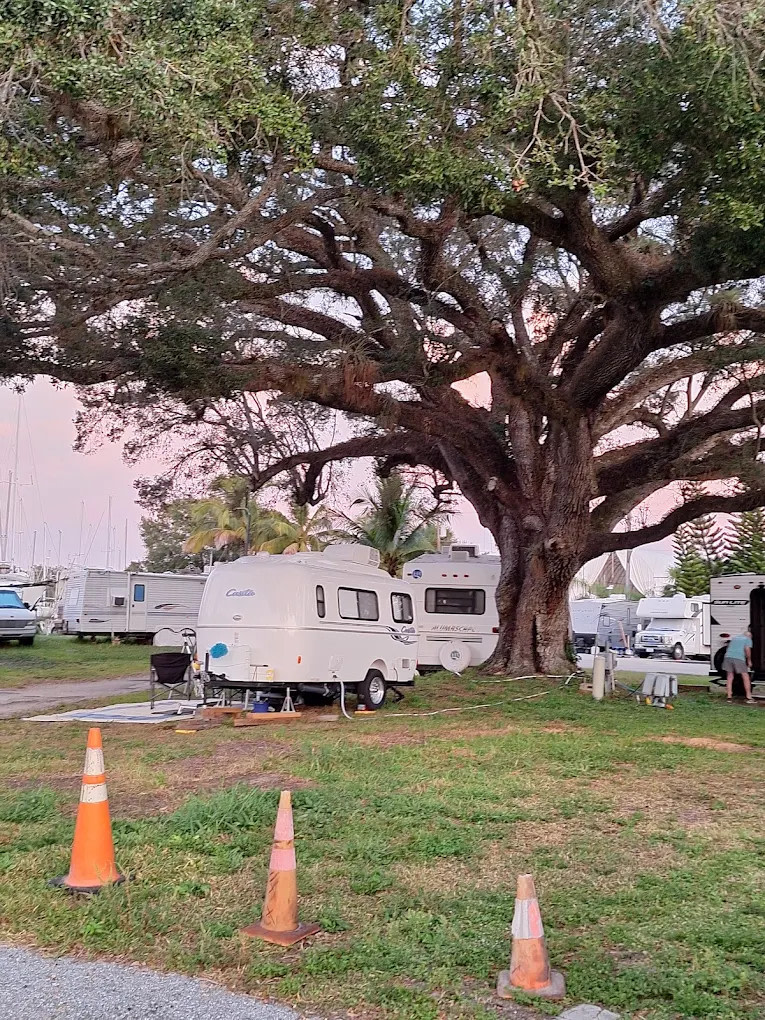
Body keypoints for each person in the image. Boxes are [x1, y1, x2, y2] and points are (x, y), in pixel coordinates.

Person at [722, 626, 756, 705]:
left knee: (730, 677)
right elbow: (747, 650)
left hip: (727, 657)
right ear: (749, 636)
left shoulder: (735, 638)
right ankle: (749, 696)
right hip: (739, 658)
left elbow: (728, 648)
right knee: (745, 676)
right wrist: (749, 661)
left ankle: (729, 696)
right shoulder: (748, 639)